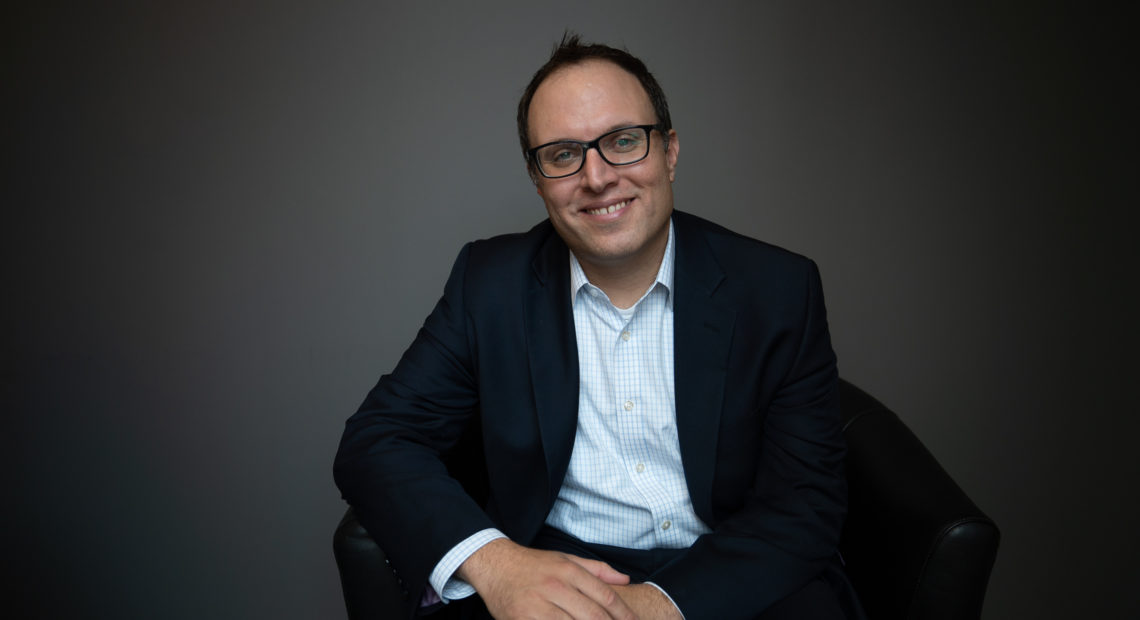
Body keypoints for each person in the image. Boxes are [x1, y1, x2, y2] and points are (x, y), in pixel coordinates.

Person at [334, 34, 864, 620]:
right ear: (538, 179)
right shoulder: (488, 284)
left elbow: (805, 505)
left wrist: (651, 608)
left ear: (669, 151)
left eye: (622, 142)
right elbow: (376, 441)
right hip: (551, 570)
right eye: (563, 155)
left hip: (728, 573)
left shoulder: (777, 288)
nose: (596, 176)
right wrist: (500, 565)